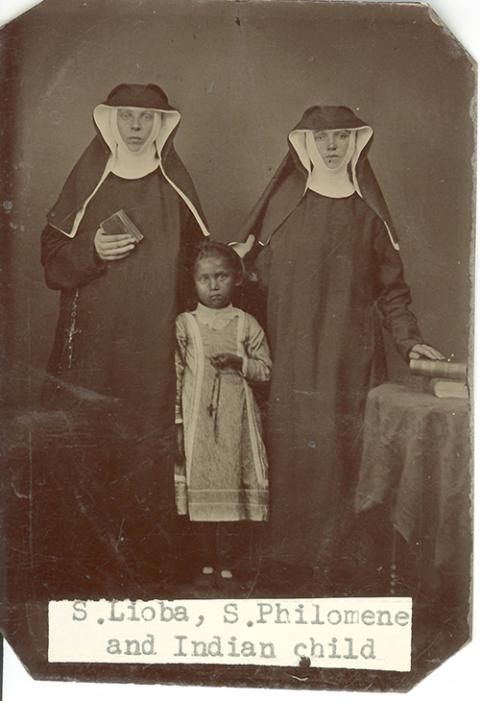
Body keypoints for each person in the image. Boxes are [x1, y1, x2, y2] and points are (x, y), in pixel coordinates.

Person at [234, 105, 443, 589]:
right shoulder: (282, 208)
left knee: (349, 456)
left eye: (341, 137)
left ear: (355, 143)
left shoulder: (368, 213)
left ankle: (345, 567)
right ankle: (288, 562)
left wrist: (410, 342)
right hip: (291, 357)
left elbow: (392, 290)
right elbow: (248, 282)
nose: (331, 146)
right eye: (321, 137)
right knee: (293, 455)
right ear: (306, 143)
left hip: (352, 358)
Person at [38, 83, 209, 596]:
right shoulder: (89, 180)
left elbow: (199, 268)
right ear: (112, 122)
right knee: (85, 447)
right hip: (88, 348)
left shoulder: (174, 188)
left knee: (143, 451)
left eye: (148, 119)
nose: (137, 127)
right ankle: (78, 569)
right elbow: (51, 265)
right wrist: (91, 250)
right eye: (128, 117)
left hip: (151, 349)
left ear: (162, 127)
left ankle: (146, 571)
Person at [175, 241, 271, 588]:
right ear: (194, 282)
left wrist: (239, 362)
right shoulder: (185, 325)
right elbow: (175, 375)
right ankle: (205, 564)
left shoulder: (246, 324)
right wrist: (178, 423)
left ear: (237, 279)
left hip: (236, 422)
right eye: (205, 279)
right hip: (198, 421)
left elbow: (266, 369)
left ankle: (227, 565)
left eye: (222, 277)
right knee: (202, 489)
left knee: (231, 488)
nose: (213, 286)